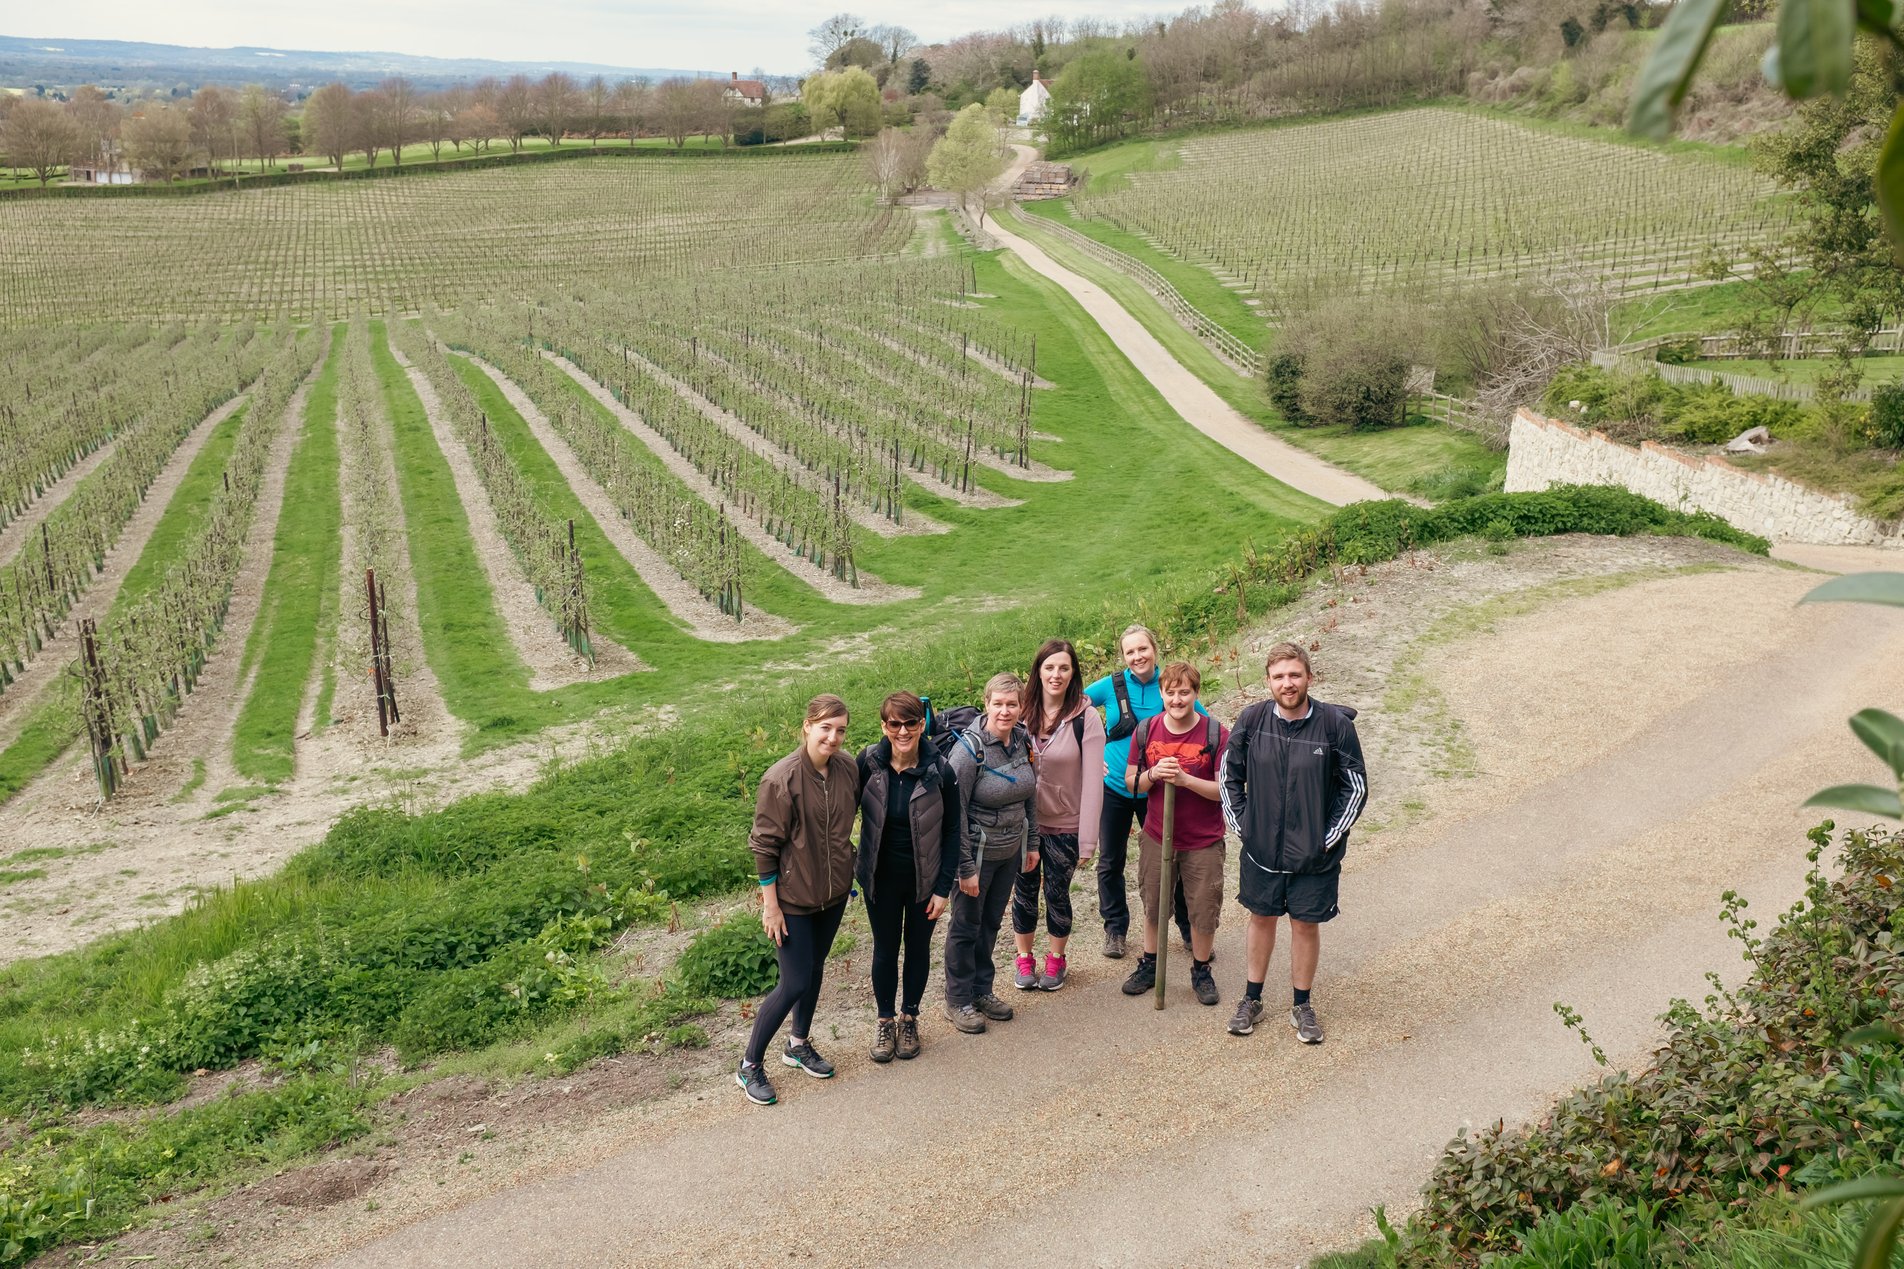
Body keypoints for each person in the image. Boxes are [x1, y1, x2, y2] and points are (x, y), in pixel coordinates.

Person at [1219, 643, 1366, 1044]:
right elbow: (1228, 778)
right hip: (1261, 852)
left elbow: (1354, 789)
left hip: (1314, 857)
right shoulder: (1251, 721)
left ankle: (1302, 1005)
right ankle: (1252, 999)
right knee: (1261, 919)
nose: (1288, 683)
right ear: (1268, 681)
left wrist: (1326, 838)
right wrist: (1246, 829)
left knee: (1304, 926)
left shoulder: (1336, 726)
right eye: (1279, 676)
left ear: (1309, 678)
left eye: (1294, 675)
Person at [739, 694, 861, 1105]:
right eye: (825, 727)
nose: (833, 737)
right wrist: (770, 905)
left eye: (840, 729)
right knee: (794, 981)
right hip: (792, 898)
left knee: (815, 968)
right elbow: (764, 847)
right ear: (806, 726)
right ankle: (750, 1064)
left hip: (834, 892)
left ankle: (798, 1043)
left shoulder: (847, 768)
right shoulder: (781, 779)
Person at [1085, 624, 1205, 960]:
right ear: (1122, 656)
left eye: (1143, 649)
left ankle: (1184, 926)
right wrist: (1087, 756)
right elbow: (1071, 708)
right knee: (1110, 860)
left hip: (1157, 789)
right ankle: (1115, 928)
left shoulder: (1170, 685)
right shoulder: (1110, 686)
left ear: (1155, 648)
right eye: (1130, 651)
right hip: (1114, 788)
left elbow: (1205, 724)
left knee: (1173, 855)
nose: (1138, 656)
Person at [856, 692, 960, 1063]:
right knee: (885, 949)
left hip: (924, 882)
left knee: (917, 949)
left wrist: (943, 887)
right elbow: (841, 815)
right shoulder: (868, 762)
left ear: (922, 725)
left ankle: (909, 1017)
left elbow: (952, 831)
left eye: (911, 723)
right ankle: (885, 1021)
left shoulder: (941, 771)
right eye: (894, 724)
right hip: (879, 881)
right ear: (884, 726)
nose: (903, 731)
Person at [1119, 662, 1228, 1007]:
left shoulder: (1215, 733)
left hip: (1203, 840)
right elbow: (1131, 782)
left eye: (1185, 692)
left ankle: (1200, 969)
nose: (1177, 699)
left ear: (1196, 695)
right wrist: (1154, 774)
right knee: (1154, 905)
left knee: (1203, 908)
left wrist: (1185, 780)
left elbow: (1225, 790)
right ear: (1162, 694)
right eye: (1171, 692)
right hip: (1156, 835)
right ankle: (1150, 964)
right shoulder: (1147, 729)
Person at [943, 672, 1038, 1035]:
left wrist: (1032, 844)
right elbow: (955, 814)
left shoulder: (1022, 739)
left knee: (990, 923)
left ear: (1021, 706)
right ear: (986, 704)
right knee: (965, 926)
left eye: (1011, 704)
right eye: (998, 704)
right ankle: (957, 999)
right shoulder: (968, 751)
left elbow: (1031, 793)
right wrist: (964, 867)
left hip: (1009, 850)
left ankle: (982, 990)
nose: (1005, 710)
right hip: (976, 856)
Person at [1013, 639, 1105, 992]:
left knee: (1056, 892)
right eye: (1049, 667)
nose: (1056, 674)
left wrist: (1087, 838)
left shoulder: (1086, 718)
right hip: (1022, 826)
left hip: (1065, 824)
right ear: (1037, 671)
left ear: (1073, 673)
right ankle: (1023, 958)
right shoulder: (1020, 712)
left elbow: (1094, 782)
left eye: (1064, 668)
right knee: (1023, 893)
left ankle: (1056, 958)